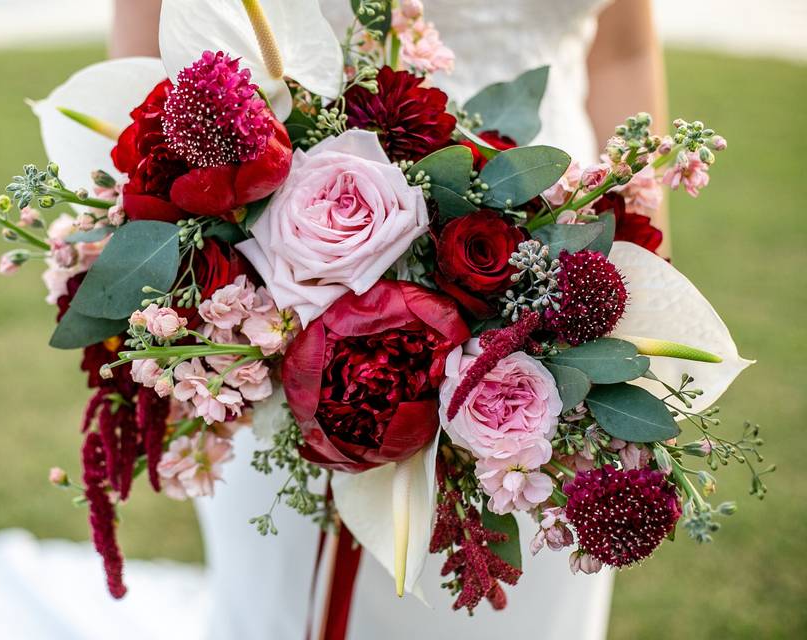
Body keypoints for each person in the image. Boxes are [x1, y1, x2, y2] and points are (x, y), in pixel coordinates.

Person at [109, 1, 669, 638]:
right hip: (285, 303)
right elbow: (145, 47)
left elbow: (623, 52)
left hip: (564, 286)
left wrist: (646, 273)